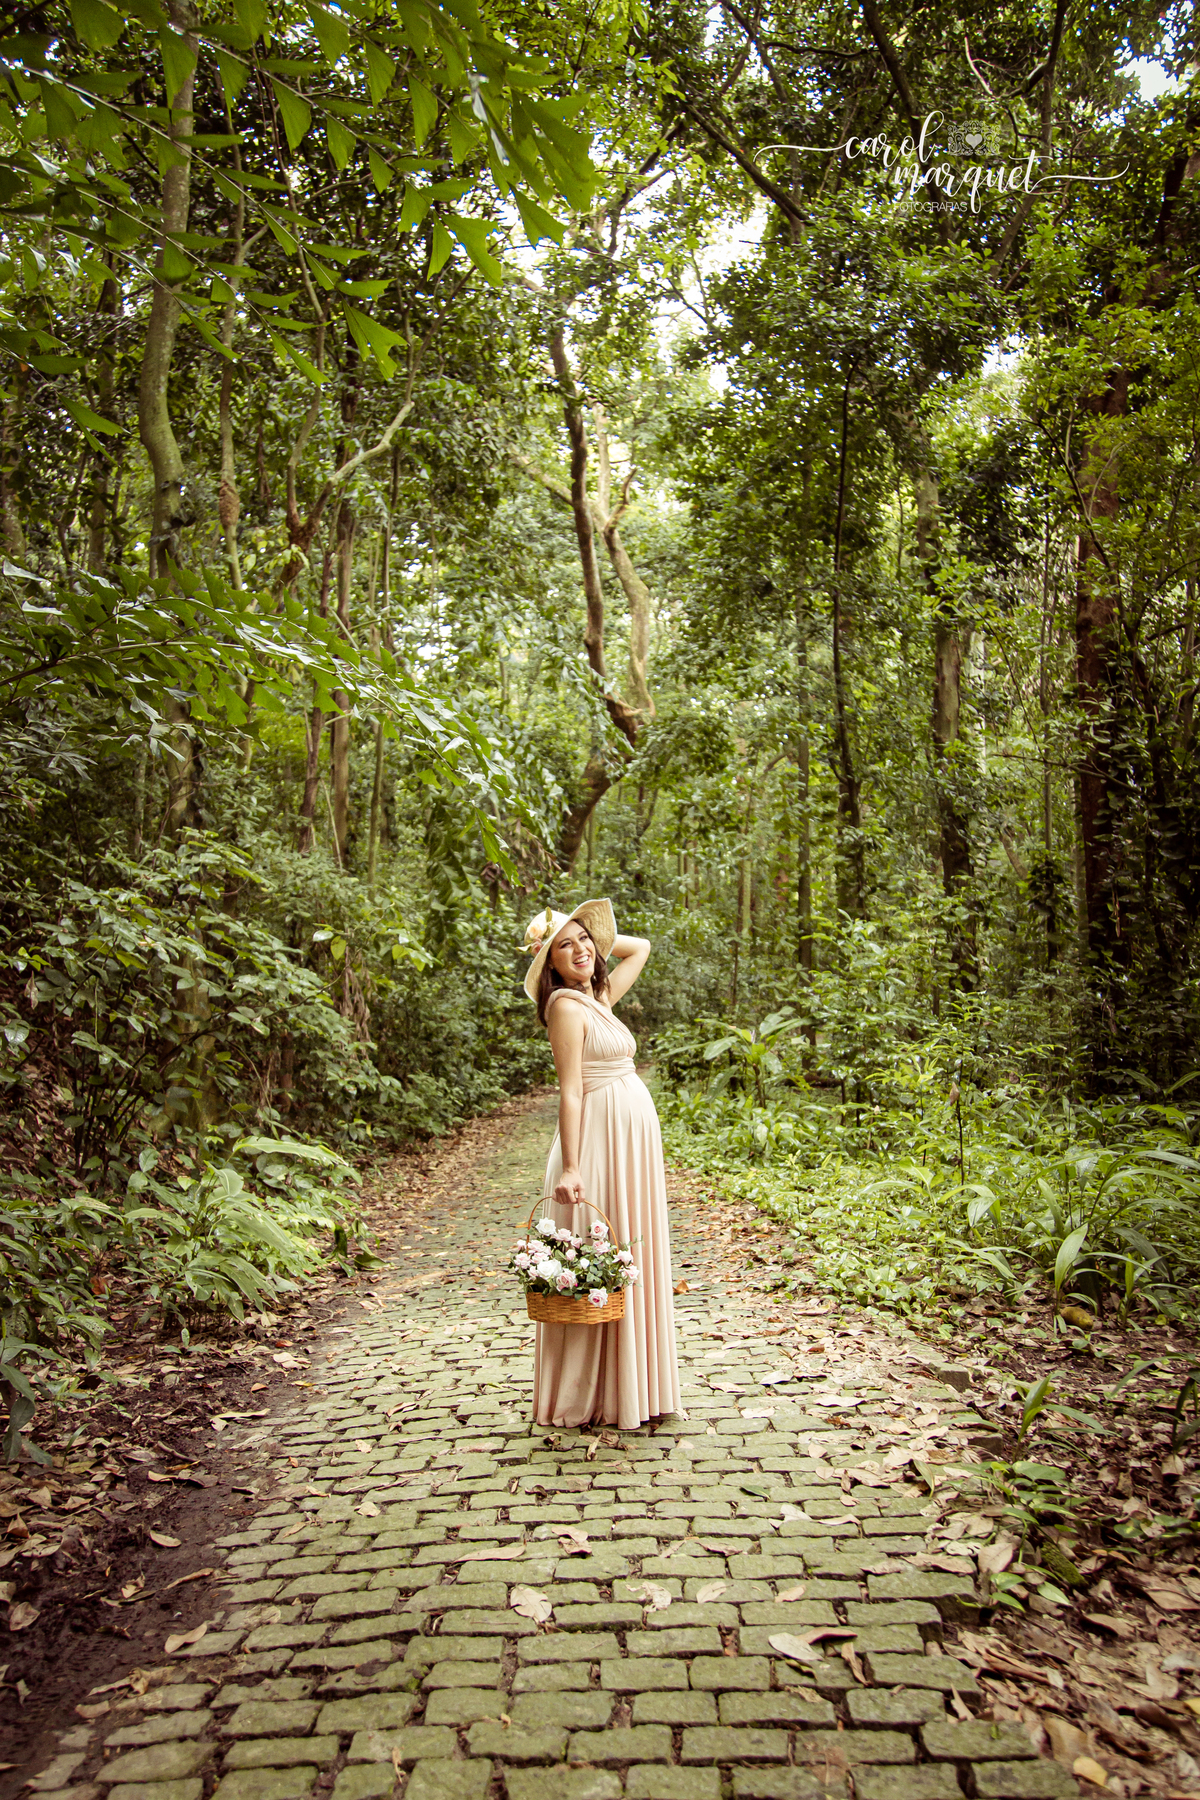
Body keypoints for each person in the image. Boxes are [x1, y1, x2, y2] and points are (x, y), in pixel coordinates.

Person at [520, 898, 681, 1429]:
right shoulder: (566, 1006)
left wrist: (581, 932)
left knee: (627, 1253)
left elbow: (641, 948)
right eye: (564, 948)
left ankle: (631, 1390)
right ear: (551, 967)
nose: (580, 949)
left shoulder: (599, 996)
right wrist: (571, 1167)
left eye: (584, 940)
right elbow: (570, 1093)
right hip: (597, 1145)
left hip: (629, 1143)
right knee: (602, 1259)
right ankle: (590, 1395)